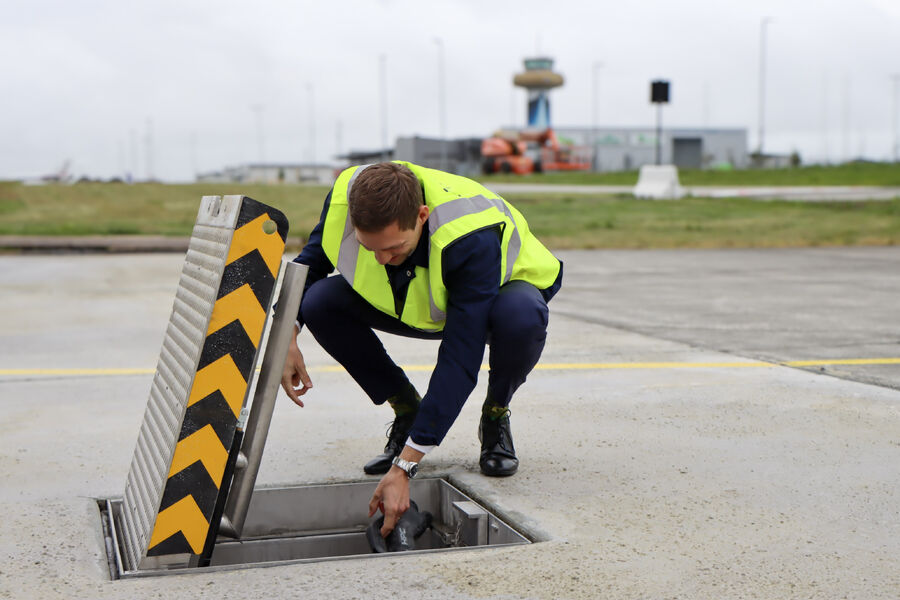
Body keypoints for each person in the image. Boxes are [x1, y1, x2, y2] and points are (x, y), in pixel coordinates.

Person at [280, 161, 562, 538]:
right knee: (319, 302)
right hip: (416, 298)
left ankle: (495, 415)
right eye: (370, 248)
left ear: (421, 216)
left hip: (493, 299)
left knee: (522, 316)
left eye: (394, 248)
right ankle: (406, 409)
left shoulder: (469, 234)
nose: (380, 259)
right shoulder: (347, 199)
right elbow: (310, 265)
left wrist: (406, 466)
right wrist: (285, 337)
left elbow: (460, 359)